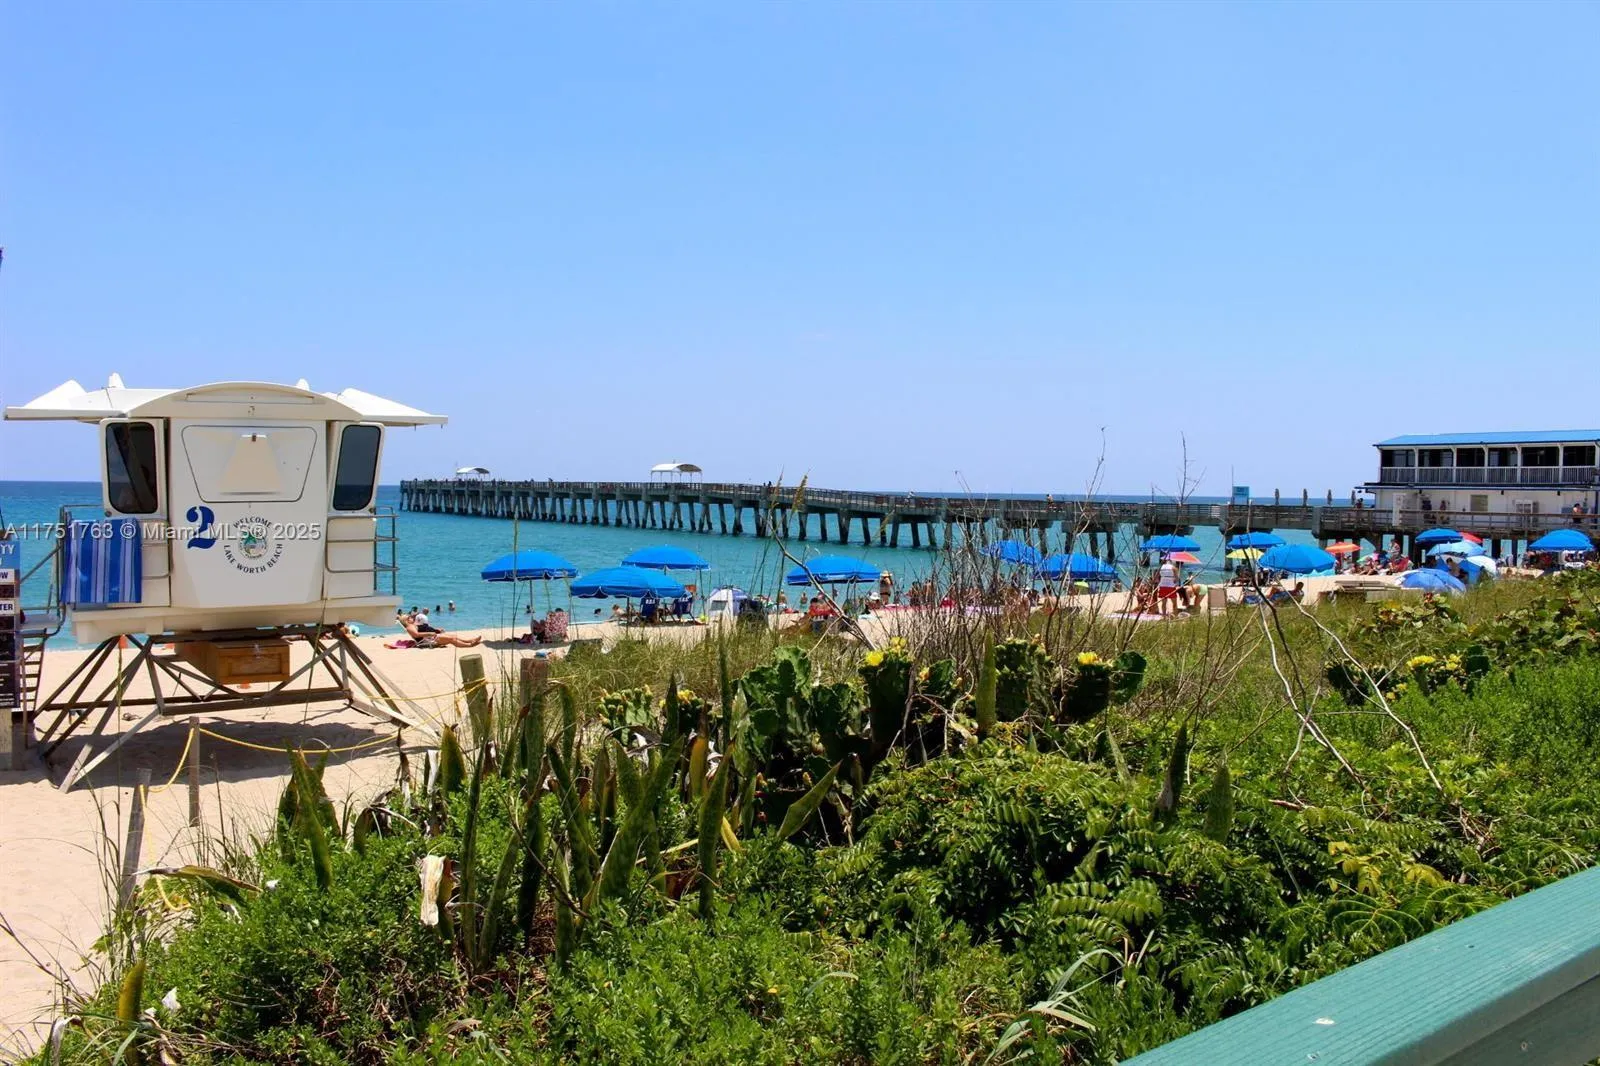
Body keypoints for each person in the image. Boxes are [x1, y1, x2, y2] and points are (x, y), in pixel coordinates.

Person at [401, 615, 481, 648]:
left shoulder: (412, 625)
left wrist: (435, 630)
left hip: (431, 637)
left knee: (453, 636)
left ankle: (470, 640)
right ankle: (469, 645)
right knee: (452, 639)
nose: (412, 618)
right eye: (410, 617)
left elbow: (422, 629)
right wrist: (429, 633)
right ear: (407, 620)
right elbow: (416, 635)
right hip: (429, 639)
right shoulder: (409, 627)